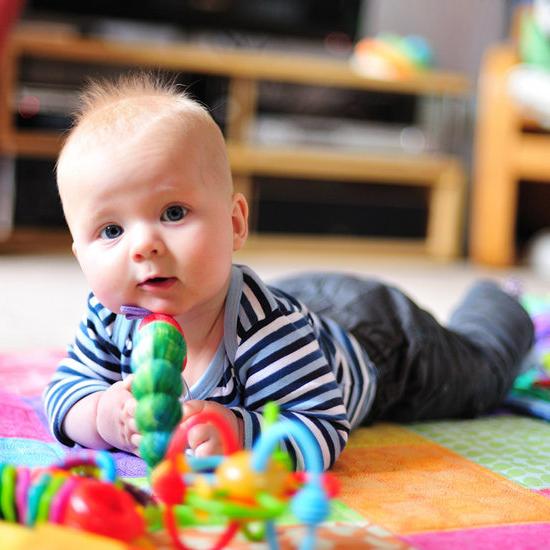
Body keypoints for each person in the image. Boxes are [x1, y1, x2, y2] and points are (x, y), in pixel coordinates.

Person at [44, 73, 534, 471]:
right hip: (305, 300)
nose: (144, 244)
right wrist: (103, 417)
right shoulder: (110, 316)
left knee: (481, 374)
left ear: (235, 223)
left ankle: (502, 299)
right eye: (110, 230)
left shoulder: (267, 331)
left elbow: (322, 428)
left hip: (384, 343)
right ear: (78, 252)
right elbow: (64, 395)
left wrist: (240, 433)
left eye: (173, 213)